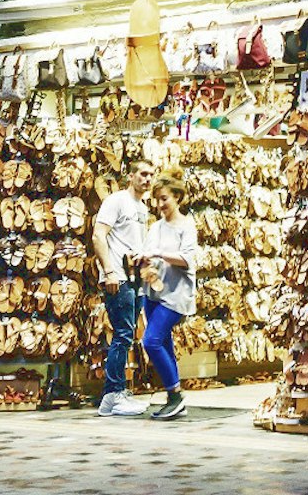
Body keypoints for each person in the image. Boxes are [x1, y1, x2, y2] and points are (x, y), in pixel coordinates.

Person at [91, 159, 154, 416]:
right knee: (122, 335)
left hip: (134, 278)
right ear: (131, 176)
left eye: (151, 175)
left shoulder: (142, 207)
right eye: (142, 174)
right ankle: (113, 395)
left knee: (127, 335)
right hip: (117, 277)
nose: (147, 179)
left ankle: (115, 394)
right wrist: (109, 271)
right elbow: (98, 235)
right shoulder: (116, 201)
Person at [137, 174, 200, 421]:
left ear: (177, 197)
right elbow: (148, 253)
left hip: (176, 295)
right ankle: (174, 398)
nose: (160, 204)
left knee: (150, 341)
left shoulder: (187, 226)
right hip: (153, 292)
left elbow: (187, 259)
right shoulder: (155, 227)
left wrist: (160, 254)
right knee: (163, 343)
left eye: (164, 199)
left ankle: (175, 395)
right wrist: (142, 258)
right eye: (157, 200)